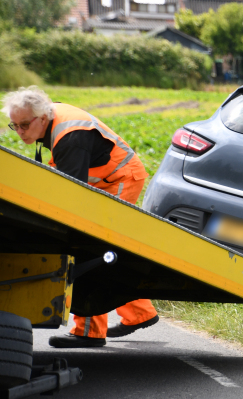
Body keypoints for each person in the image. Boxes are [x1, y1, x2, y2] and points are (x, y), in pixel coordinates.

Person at [2, 87, 160, 348]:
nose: (19, 132)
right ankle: (139, 314)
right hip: (99, 180)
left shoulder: (70, 138)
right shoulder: (49, 120)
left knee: (90, 247)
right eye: (14, 125)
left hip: (119, 179)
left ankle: (91, 332)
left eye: (24, 125)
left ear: (42, 118)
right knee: (97, 248)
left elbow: (71, 200)